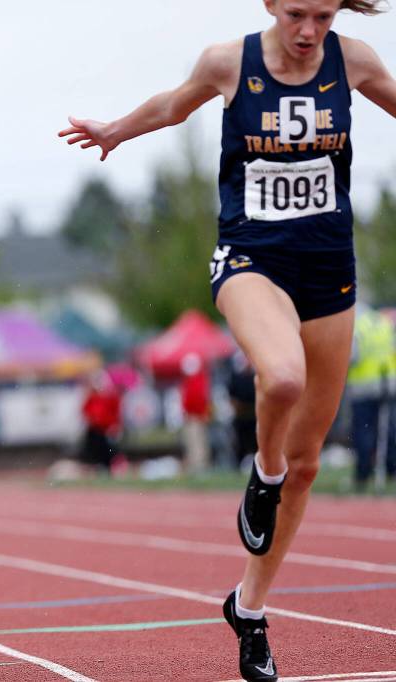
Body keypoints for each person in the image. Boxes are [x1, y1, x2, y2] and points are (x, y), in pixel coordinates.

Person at [60, 1, 396, 679]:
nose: (310, 32)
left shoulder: (352, 60)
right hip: (250, 257)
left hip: (329, 266)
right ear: (271, 5)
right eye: (298, 14)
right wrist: (115, 131)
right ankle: (260, 473)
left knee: (309, 463)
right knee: (284, 378)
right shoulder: (229, 62)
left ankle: (249, 606)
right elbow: (175, 106)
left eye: (324, 18)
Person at [346, 304, 396, 490]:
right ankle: (390, 469)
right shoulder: (386, 324)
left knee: (364, 430)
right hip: (388, 383)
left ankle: (363, 473)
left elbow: (352, 356)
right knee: (388, 428)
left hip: (363, 386)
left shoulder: (358, 326)